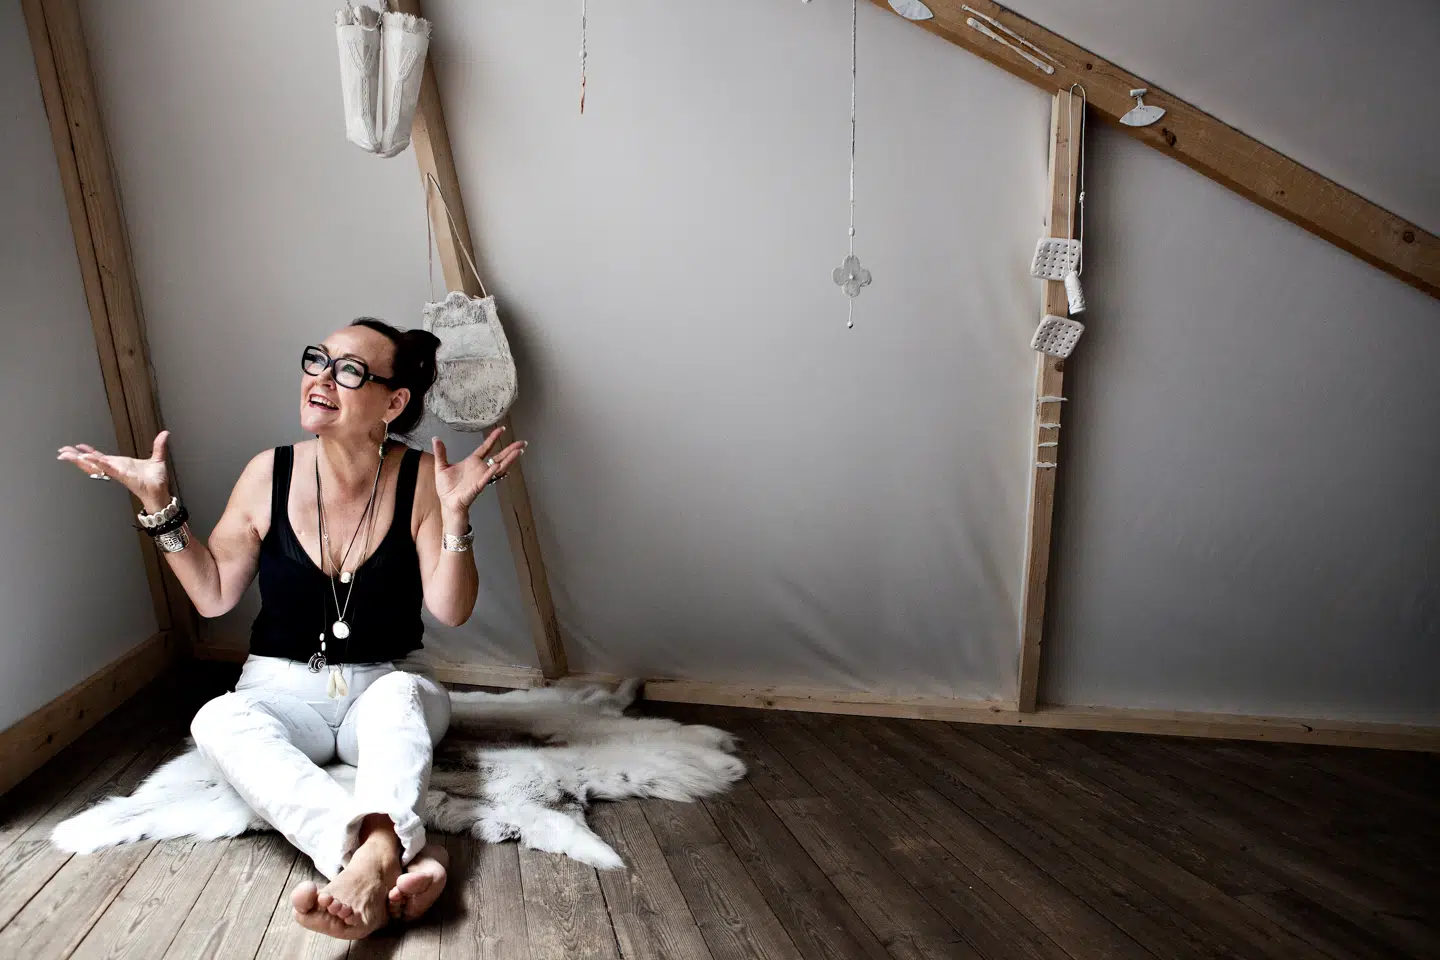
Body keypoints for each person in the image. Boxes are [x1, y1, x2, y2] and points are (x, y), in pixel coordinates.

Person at [57, 319, 526, 939]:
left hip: (387, 688)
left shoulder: (423, 480)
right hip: (280, 693)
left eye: (349, 370)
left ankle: (375, 860)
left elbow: (451, 609)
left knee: (398, 696)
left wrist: (456, 514)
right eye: (318, 360)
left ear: (393, 403)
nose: (321, 379)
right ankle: (387, 855)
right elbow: (213, 594)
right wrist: (157, 506)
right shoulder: (267, 473)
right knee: (217, 719)